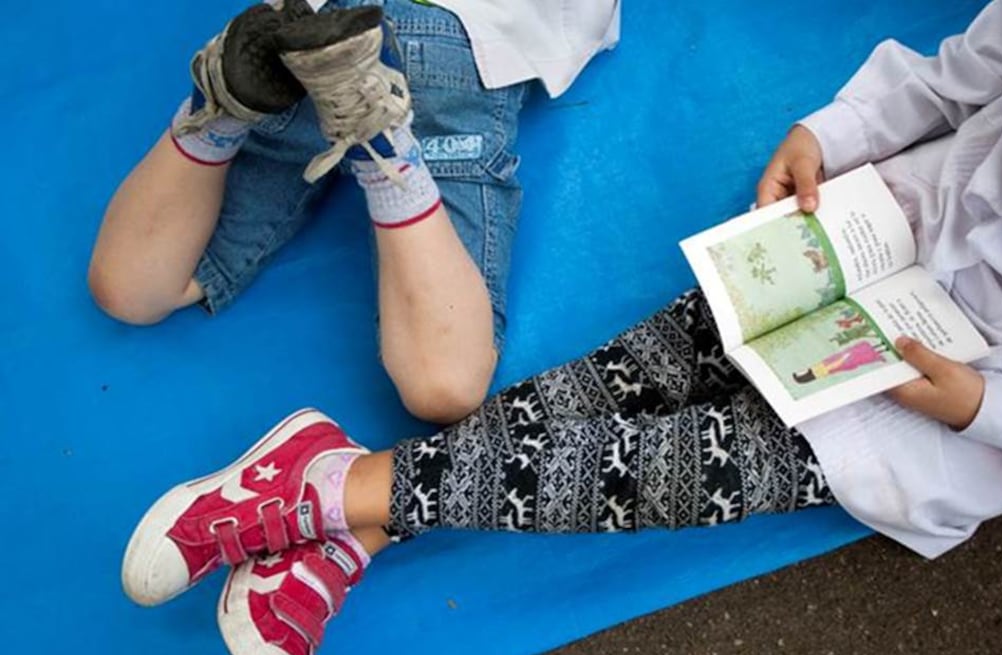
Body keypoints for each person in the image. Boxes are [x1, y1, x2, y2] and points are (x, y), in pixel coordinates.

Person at [120, 0, 1002, 655]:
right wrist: (833, 132)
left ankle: (324, 495)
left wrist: (989, 410)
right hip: (890, 233)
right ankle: (351, 529)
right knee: (632, 373)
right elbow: (977, 64)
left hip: (997, 383)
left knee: (683, 468)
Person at [87, 0, 620, 424]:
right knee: (443, 385)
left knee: (130, 292)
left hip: (307, 29)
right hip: (465, 32)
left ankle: (220, 112)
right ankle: (382, 145)